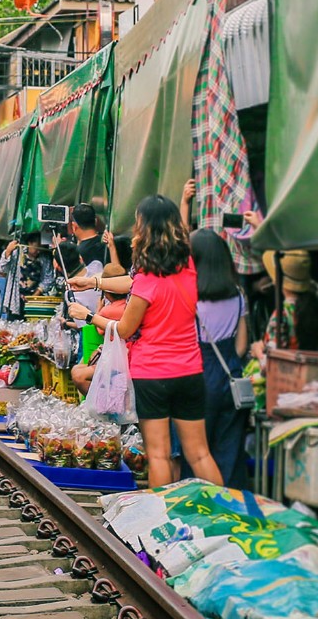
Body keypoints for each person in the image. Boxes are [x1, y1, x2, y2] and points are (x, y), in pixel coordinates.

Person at [69, 194, 224, 490]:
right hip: (190, 371)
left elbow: (125, 329)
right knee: (200, 453)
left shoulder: (146, 280)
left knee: (159, 455)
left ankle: (160, 520)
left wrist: (89, 315)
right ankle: (226, 511)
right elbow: (131, 282)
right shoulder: (189, 266)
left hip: (152, 375)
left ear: (144, 230)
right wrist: (94, 282)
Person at [190, 227, 251, 488]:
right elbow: (241, 345)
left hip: (199, 376)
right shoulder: (238, 295)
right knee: (229, 450)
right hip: (232, 376)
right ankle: (231, 504)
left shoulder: (191, 298)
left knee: (197, 450)